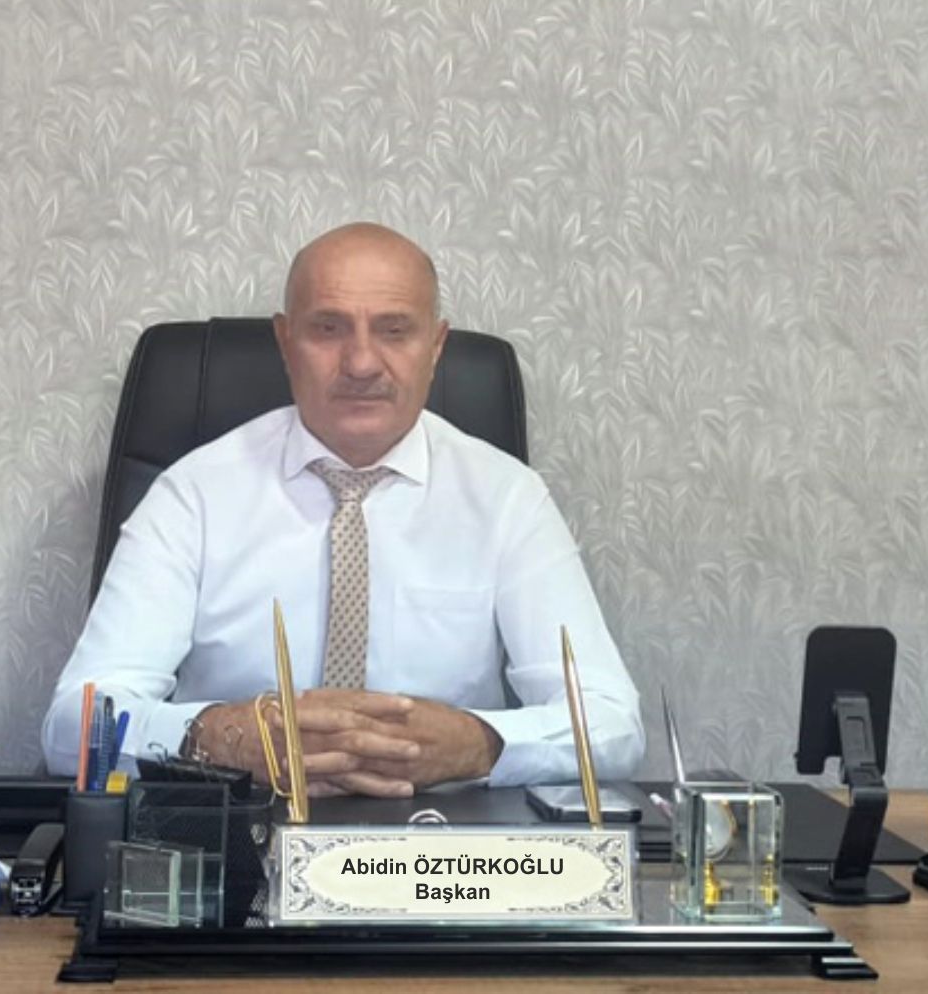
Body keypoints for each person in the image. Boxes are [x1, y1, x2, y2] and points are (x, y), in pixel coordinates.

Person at [44, 224, 642, 794]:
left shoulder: (507, 497)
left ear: (436, 346)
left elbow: (613, 724)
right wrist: (221, 738)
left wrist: (477, 743)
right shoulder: (193, 494)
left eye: (394, 330)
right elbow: (74, 725)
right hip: (238, 834)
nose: (361, 364)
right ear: (286, 343)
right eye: (328, 329)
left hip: (441, 846)